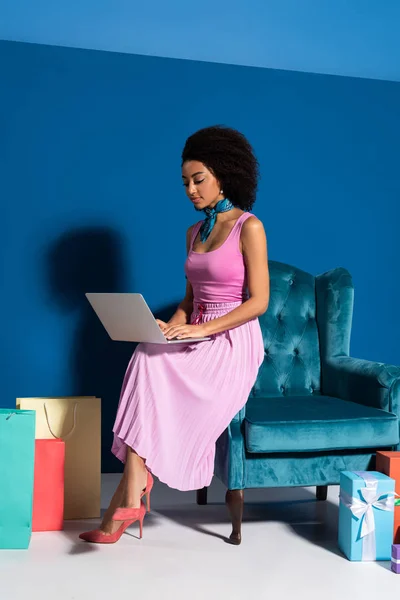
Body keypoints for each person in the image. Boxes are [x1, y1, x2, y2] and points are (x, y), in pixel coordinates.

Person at [79, 125, 270, 544]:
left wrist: (197, 328)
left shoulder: (248, 227)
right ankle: (134, 485)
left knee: (148, 361)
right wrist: (171, 324)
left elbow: (258, 303)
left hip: (233, 341)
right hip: (196, 331)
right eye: (185, 182)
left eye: (198, 179)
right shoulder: (192, 233)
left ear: (223, 173)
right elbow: (190, 298)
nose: (190, 189)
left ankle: (128, 495)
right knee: (147, 350)